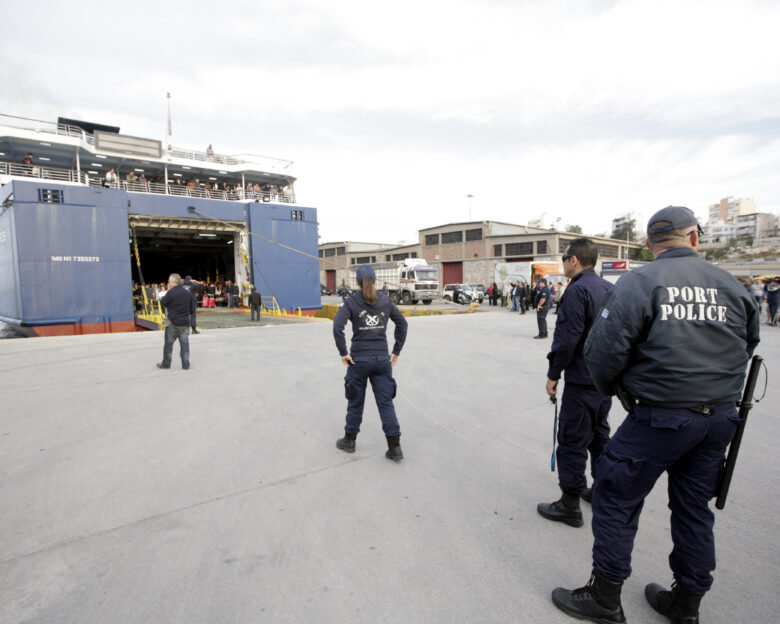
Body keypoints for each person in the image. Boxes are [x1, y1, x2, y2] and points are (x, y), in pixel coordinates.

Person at [551, 206, 759, 624]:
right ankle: (687, 604)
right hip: (718, 418)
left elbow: (601, 353)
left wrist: (621, 393)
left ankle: (605, 597)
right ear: (695, 237)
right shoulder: (732, 285)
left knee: (614, 497)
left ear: (649, 244)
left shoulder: (641, 281)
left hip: (660, 417)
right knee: (694, 507)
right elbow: (749, 342)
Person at [538, 238, 613, 528]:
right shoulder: (609, 289)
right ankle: (600, 490)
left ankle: (569, 503)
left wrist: (554, 373)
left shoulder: (577, 291)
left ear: (575, 260)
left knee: (572, 441)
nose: (563, 263)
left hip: (582, 380)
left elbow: (567, 339)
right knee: (599, 437)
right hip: (604, 382)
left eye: (565, 258)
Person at [333, 265, 408, 461]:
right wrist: (396, 351)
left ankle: (349, 441)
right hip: (383, 360)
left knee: (355, 401)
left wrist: (343, 353)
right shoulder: (386, 300)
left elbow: (337, 327)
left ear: (357, 283)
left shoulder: (350, 302)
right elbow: (402, 323)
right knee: (386, 403)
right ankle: (395, 448)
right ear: (374, 281)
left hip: (359, 360)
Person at [157, 273, 196, 370]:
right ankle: (185, 364)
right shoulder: (188, 293)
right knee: (185, 344)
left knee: (168, 344)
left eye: (169, 281)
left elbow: (163, 303)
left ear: (172, 282)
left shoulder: (171, 292)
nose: (168, 283)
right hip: (184, 322)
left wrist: (168, 291)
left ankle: (166, 363)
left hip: (172, 322)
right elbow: (192, 310)